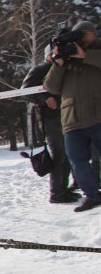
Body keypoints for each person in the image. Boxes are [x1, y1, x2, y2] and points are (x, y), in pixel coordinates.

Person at [44, 20, 101, 212]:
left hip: (98, 115)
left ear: (94, 35)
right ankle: (92, 196)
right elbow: (51, 87)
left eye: (86, 34)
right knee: (78, 160)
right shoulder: (65, 61)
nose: (83, 38)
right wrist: (58, 64)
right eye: (79, 35)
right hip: (72, 120)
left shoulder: (96, 53)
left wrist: (85, 55)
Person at [21, 51, 79, 203]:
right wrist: (44, 98)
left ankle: (63, 189)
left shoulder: (65, 69)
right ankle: (56, 193)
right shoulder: (40, 70)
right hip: (49, 118)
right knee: (59, 155)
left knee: (67, 155)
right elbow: (25, 92)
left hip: (67, 116)